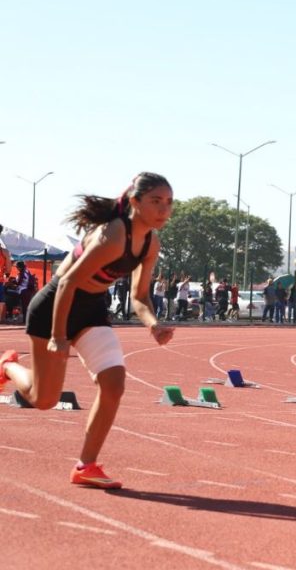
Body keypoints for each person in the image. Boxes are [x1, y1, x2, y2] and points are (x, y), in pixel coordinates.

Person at [0, 172, 175, 489]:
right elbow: (67, 282)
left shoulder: (150, 243)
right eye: (156, 201)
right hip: (53, 306)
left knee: (114, 384)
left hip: (91, 309)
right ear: (135, 202)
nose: (164, 209)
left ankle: (86, 466)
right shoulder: (114, 235)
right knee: (43, 400)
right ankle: (7, 366)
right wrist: (58, 337)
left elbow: (139, 297)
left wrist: (154, 324)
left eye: (169, 202)